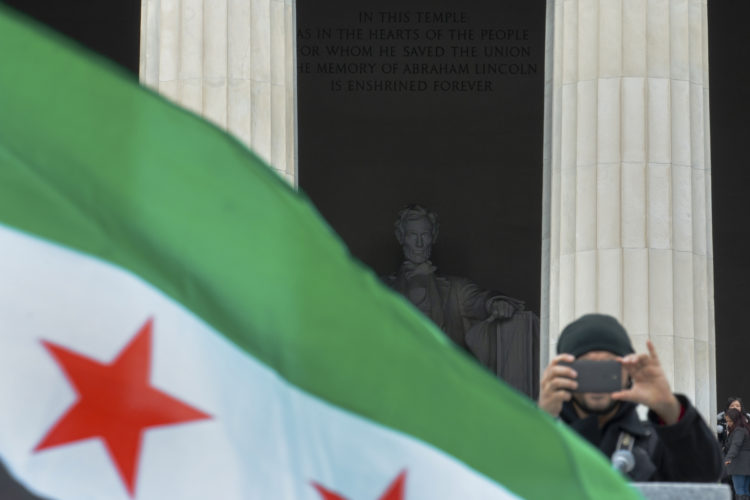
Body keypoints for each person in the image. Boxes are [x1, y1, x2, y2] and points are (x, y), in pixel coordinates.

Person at [538, 313, 723, 482]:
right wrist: (541, 423)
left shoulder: (654, 444)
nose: (598, 377)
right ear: (565, 372)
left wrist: (669, 407)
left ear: (628, 372)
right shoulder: (544, 439)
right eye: (586, 368)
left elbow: (705, 475)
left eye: (609, 367)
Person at [385, 204, 521, 351]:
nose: (419, 243)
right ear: (400, 237)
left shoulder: (456, 289)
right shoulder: (380, 289)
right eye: (412, 235)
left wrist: (495, 303)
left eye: (425, 234)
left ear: (434, 236)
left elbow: (479, 299)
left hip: (440, 366)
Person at [725, 408, 750, 498]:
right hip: (747, 465)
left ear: (736, 420)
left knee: (739, 490)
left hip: (739, 464)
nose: (728, 423)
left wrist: (728, 457)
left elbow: (736, 444)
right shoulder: (746, 428)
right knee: (746, 490)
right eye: (727, 421)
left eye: (730, 421)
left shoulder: (738, 430)